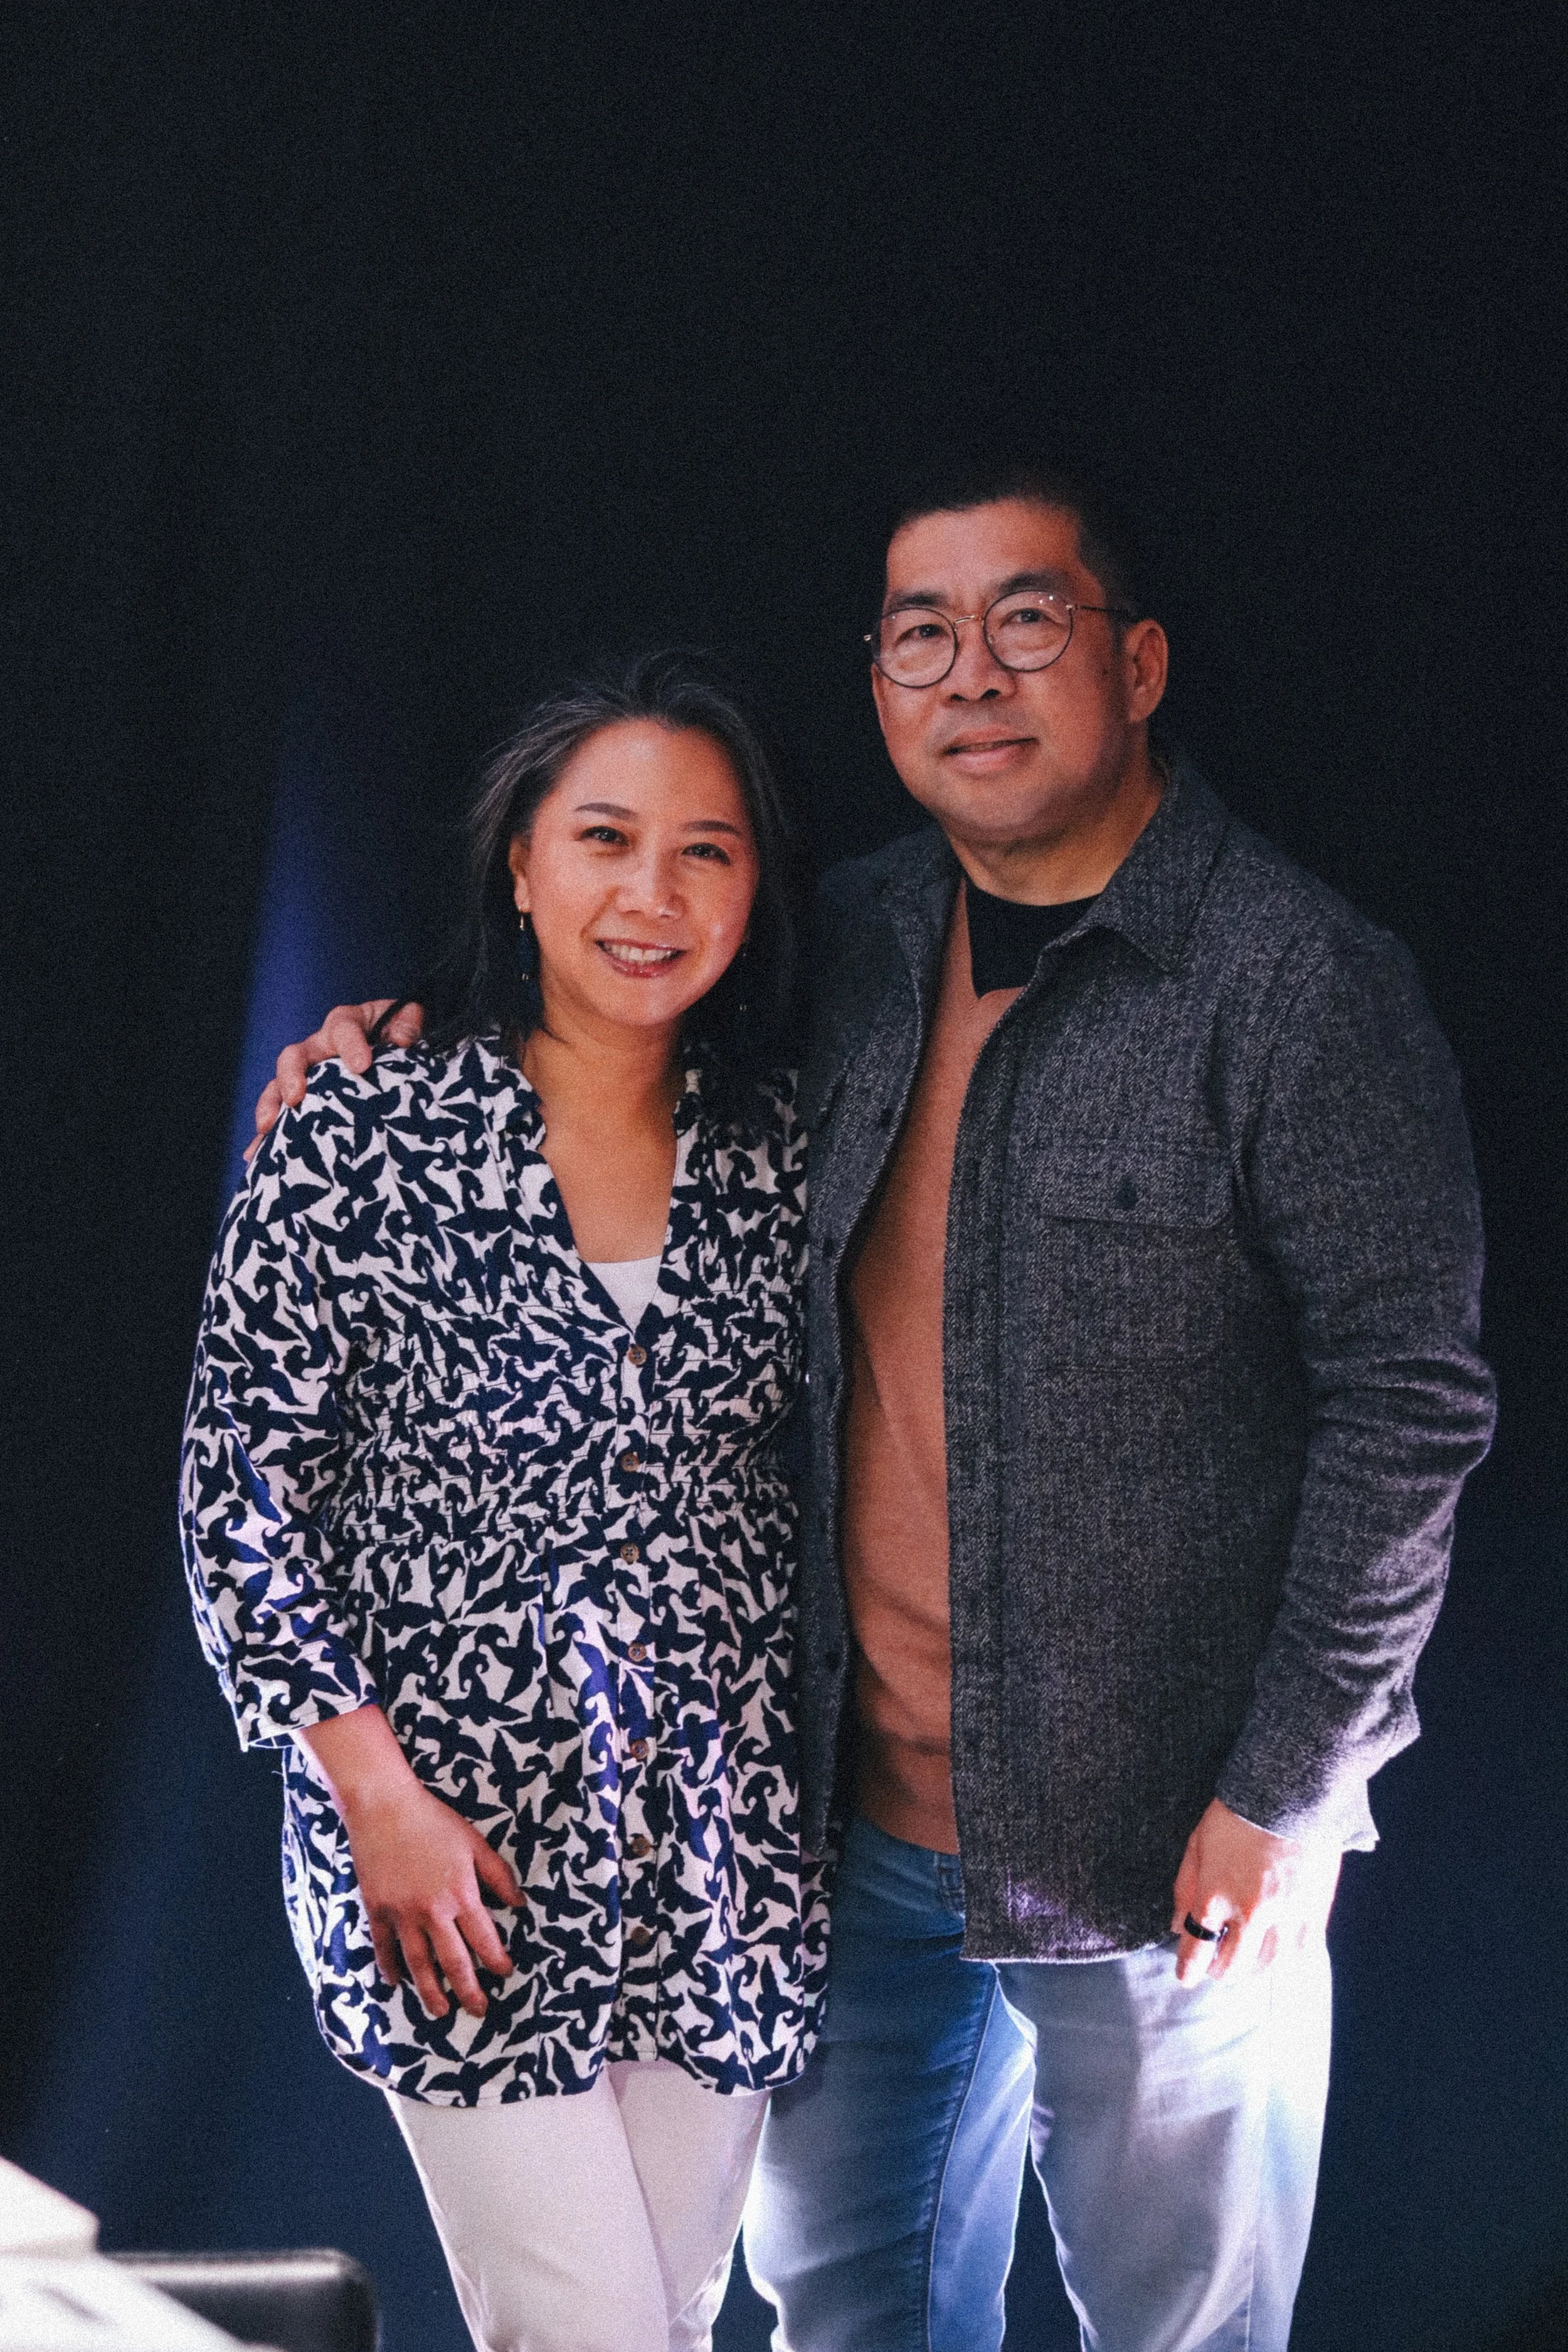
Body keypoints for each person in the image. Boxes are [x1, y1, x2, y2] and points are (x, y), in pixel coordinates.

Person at [254, 464, 1495, 2352]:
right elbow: (617, 999)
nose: (971, 673)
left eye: (1028, 620)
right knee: (842, 2310)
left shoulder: (1295, 986)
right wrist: (413, 1031)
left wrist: (1285, 1789)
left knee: (1182, 2325)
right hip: (840, 1834)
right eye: (921, 631)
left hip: (1166, 1845)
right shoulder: (840, 947)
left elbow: (1408, 1408)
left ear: (1138, 661)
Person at [182, 654, 827, 2352]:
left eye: (707, 849)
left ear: (756, 885)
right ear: (521, 866)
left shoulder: (787, 1153)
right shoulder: (358, 1132)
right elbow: (235, 1493)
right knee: (591, 2330)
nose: (652, 891)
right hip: (453, 1857)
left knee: (669, 2323)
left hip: (717, 1862)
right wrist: (372, 1795)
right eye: (604, 838)